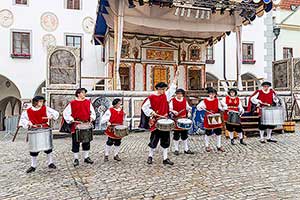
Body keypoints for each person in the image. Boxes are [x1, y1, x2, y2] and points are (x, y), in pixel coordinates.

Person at [142, 71, 179, 165]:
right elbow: (144, 107)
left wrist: (175, 77)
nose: (163, 91)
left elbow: (172, 88)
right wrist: (151, 112)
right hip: (156, 121)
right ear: (158, 89)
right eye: (162, 89)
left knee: (166, 140)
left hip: (165, 120)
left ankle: (165, 158)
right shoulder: (151, 97)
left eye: (164, 89)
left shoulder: (165, 95)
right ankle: (150, 156)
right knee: (154, 140)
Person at [19, 96, 59, 173]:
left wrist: (51, 116)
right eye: (40, 101)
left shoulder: (45, 108)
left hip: (44, 129)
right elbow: (23, 119)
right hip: (34, 130)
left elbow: (55, 113)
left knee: (48, 147)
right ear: (35, 102)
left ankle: (50, 163)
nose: (42, 103)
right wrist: (28, 123)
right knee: (34, 149)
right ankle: (33, 166)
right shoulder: (28, 111)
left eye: (42, 101)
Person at [63, 88, 96, 167]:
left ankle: (86, 157)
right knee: (75, 142)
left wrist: (92, 117)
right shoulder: (72, 103)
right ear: (78, 94)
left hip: (86, 124)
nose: (84, 94)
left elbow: (92, 112)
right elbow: (66, 113)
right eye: (83, 93)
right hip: (77, 125)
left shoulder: (88, 102)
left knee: (86, 141)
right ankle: (76, 158)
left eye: (84, 93)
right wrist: (71, 119)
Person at [197, 88, 226, 152]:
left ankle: (219, 146)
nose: (211, 95)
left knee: (218, 132)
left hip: (216, 117)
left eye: (213, 94)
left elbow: (221, 108)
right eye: (210, 94)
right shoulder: (204, 101)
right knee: (208, 132)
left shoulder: (217, 101)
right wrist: (200, 107)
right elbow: (198, 108)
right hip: (208, 118)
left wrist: (224, 107)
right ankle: (207, 146)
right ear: (208, 94)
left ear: (215, 94)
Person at [169, 88, 194, 155]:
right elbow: (169, 109)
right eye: (178, 94)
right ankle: (176, 149)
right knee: (176, 135)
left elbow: (188, 108)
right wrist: (173, 111)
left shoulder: (184, 101)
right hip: (176, 120)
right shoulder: (173, 100)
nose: (179, 95)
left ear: (182, 94)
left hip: (184, 119)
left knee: (184, 134)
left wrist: (189, 112)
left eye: (180, 94)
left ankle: (186, 149)